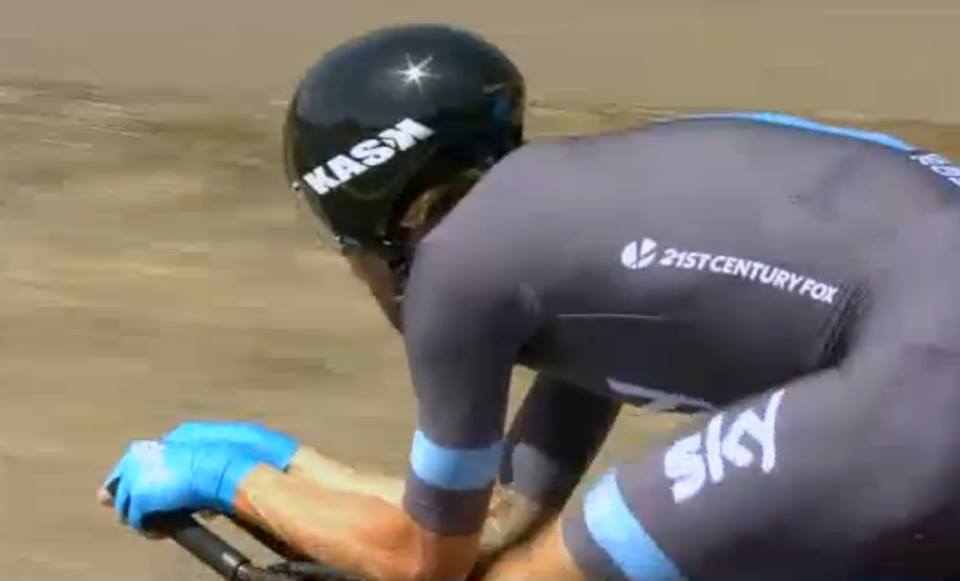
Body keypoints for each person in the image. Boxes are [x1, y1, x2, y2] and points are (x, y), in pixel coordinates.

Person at [98, 23, 960, 580]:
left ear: (374, 217)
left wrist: (230, 479)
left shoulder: (456, 266)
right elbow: (500, 514)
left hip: (919, 378)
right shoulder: (592, 240)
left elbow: (427, 562)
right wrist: (302, 467)